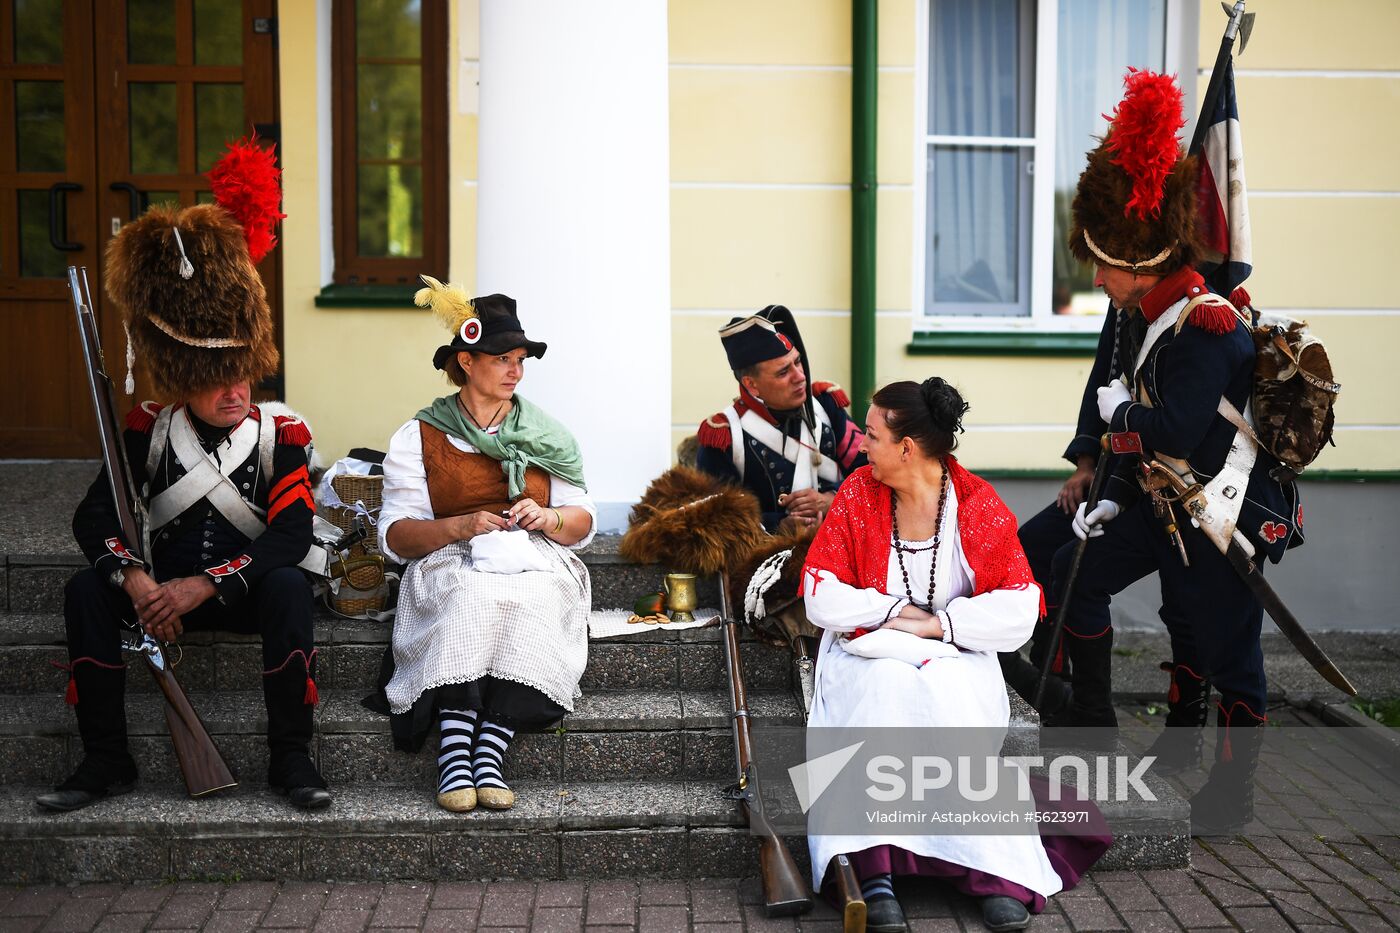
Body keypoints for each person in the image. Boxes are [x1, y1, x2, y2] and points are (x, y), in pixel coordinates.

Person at [39, 141, 330, 812]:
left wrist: (203, 586)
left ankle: (291, 756)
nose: (234, 391)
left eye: (241, 375)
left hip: (235, 591)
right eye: (213, 377)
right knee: (87, 590)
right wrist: (137, 582)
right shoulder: (146, 427)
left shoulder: (281, 434)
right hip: (159, 596)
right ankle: (105, 756)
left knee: (289, 585)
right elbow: (94, 516)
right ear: (182, 376)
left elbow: (289, 534)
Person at [1055, 69, 1302, 831]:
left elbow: (1178, 430)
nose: (1096, 278)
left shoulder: (1209, 324)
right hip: (1166, 503)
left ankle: (1233, 793)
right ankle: (1115, 735)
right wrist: (1114, 492)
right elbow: (1147, 438)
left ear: (1144, 259)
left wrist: (1119, 411)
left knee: (1232, 656)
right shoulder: (1143, 316)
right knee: (1079, 572)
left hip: (1221, 511)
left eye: (1105, 264)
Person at [801, 379, 1111, 932]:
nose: (861, 445)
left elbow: (1021, 607)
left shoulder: (975, 502)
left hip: (953, 652)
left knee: (950, 699)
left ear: (907, 447)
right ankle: (874, 874)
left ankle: (992, 871)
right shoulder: (857, 494)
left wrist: (943, 624)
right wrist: (895, 609)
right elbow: (820, 592)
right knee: (883, 693)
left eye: (870, 435)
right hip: (865, 651)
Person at [377, 279, 595, 813]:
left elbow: (582, 521)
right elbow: (396, 537)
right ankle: (456, 749)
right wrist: (460, 526)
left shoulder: (548, 434)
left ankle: (490, 748)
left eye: (521, 358)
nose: (515, 370)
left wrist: (547, 517)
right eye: (502, 358)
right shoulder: (420, 435)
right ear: (466, 362)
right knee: (468, 592)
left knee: (535, 596)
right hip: (451, 555)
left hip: (534, 556)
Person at [696, 305, 865, 532]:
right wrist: (777, 525)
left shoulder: (826, 406)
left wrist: (832, 500)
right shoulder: (724, 436)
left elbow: (872, 470)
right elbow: (714, 518)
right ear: (751, 385)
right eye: (783, 372)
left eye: (797, 362)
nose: (800, 377)